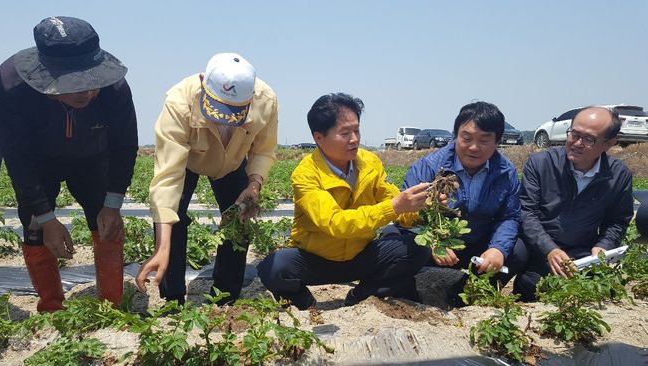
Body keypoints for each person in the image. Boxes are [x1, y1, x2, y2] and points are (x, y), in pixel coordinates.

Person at [0, 17, 138, 312]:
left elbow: (125, 145)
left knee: (106, 225)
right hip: (38, 162)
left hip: (92, 158)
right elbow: (17, 157)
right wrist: (46, 218)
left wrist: (113, 203)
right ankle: (51, 307)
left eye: (92, 82)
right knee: (34, 226)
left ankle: (110, 305)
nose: (86, 92)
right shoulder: (11, 86)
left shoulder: (114, 89)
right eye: (74, 85)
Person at [257, 92, 432, 310]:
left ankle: (361, 296)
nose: (354, 139)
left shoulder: (370, 163)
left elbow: (398, 207)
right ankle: (306, 303)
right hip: (315, 259)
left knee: (417, 248)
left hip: (360, 254)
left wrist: (422, 207)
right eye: (345, 133)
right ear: (318, 137)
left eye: (357, 130)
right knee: (273, 269)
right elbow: (335, 223)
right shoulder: (306, 174)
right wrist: (394, 206)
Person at [135, 53, 278, 306]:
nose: (225, 118)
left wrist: (254, 185)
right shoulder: (179, 102)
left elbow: (263, 150)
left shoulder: (266, 101)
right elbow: (168, 176)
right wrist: (162, 246)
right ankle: (173, 296)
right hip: (187, 160)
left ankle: (225, 295)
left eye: (234, 112)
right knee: (172, 219)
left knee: (239, 218)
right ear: (203, 82)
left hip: (231, 161)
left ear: (251, 97)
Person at [402, 101, 526, 306]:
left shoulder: (506, 172)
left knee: (518, 250)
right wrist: (434, 242)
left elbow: (509, 216)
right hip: (438, 248)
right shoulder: (430, 167)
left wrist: (497, 249)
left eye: (484, 140)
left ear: (497, 142)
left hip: (477, 247)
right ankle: (416, 291)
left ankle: (471, 294)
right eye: (466, 138)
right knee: (397, 241)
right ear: (455, 135)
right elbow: (405, 212)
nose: (474, 147)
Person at [513, 107, 633, 302]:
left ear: (610, 143)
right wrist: (549, 249)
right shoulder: (542, 163)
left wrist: (604, 246)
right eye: (574, 134)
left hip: (581, 251)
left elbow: (617, 220)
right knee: (529, 283)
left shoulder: (618, 175)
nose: (577, 143)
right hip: (538, 248)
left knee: (601, 291)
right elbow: (527, 213)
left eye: (588, 139)